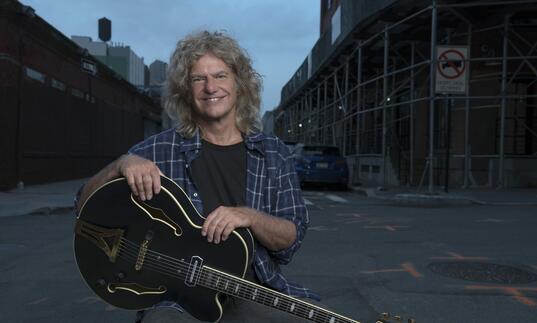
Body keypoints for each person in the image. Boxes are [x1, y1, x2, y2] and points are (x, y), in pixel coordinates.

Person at [75, 30, 320, 322]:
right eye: (198, 79)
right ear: (185, 90)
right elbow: (83, 206)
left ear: (239, 84)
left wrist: (249, 217)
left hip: (252, 289)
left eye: (220, 75)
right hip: (177, 300)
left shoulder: (273, 153)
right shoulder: (158, 148)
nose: (210, 87)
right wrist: (120, 165)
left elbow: (290, 240)